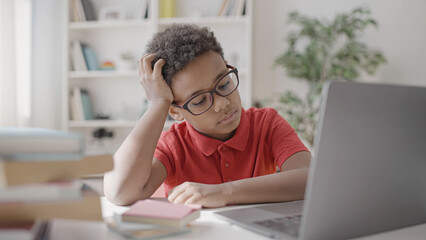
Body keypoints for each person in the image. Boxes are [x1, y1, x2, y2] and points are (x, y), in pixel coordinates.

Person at [103, 24, 311, 208]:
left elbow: (311, 179)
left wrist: (224, 192)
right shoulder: (173, 145)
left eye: (224, 84)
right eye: (200, 101)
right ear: (175, 111)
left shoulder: (267, 123)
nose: (222, 103)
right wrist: (159, 103)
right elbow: (119, 192)